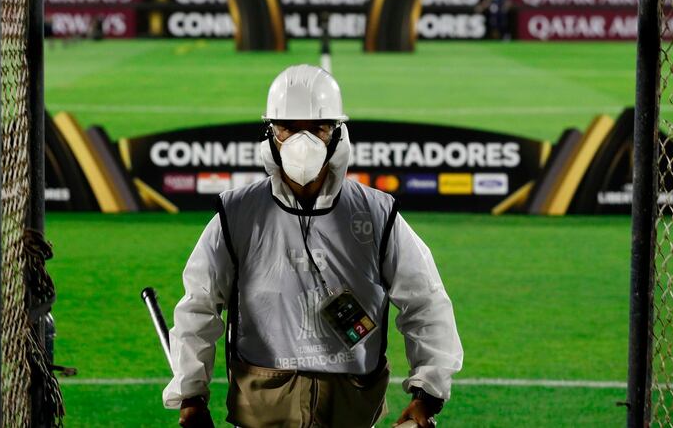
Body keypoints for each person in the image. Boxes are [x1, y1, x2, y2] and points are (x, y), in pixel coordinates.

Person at [162, 65, 463, 427]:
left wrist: (428, 392)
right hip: (262, 405)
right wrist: (191, 395)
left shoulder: (377, 214)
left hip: (351, 405)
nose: (301, 142)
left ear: (337, 133)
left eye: (317, 128)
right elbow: (199, 305)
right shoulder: (238, 213)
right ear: (271, 131)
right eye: (288, 127)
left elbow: (426, 302)